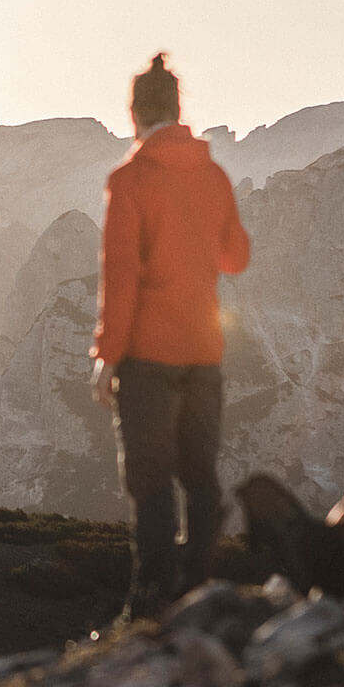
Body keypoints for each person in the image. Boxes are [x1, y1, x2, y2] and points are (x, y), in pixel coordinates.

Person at [90, 53, 250, 619]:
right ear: (179, 111)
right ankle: (198, 582)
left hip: (148, 357)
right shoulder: (213, 175)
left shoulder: (128, 181)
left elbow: (121, 277)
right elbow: (236, 257)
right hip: (204, 353)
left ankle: (151, 601)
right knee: (201, 476)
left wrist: (107, 357)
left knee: (152, 482)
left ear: (135, 114)